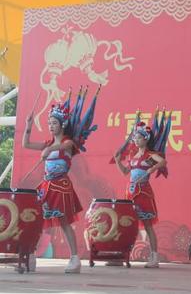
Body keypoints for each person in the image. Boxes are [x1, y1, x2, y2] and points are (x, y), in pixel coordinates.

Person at [22, 87, 100, 273]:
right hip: (46, 186)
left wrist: (49, 150)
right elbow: (26, 144)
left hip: (61, 186)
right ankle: (31, 255)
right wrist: (28, 125)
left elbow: (64, 146)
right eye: (49, 123)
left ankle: (75, 259)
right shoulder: (48, 143)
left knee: (64, 222)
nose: (51, 126)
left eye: (54, 123)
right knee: (37, 220)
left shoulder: (68, 143)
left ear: (62, 124)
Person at [112, 111, 171, 268]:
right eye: (135, 138)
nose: (136, 140)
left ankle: (154, 257)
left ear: (146, 138)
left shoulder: (149, 156)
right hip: (131, 192)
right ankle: (122, 255)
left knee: (147, 225)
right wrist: (118, 161)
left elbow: (163, 162)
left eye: (138, 137)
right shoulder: (133, 157)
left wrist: (153, 168)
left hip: (143, 193)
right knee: (127, 225)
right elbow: (125, 172)